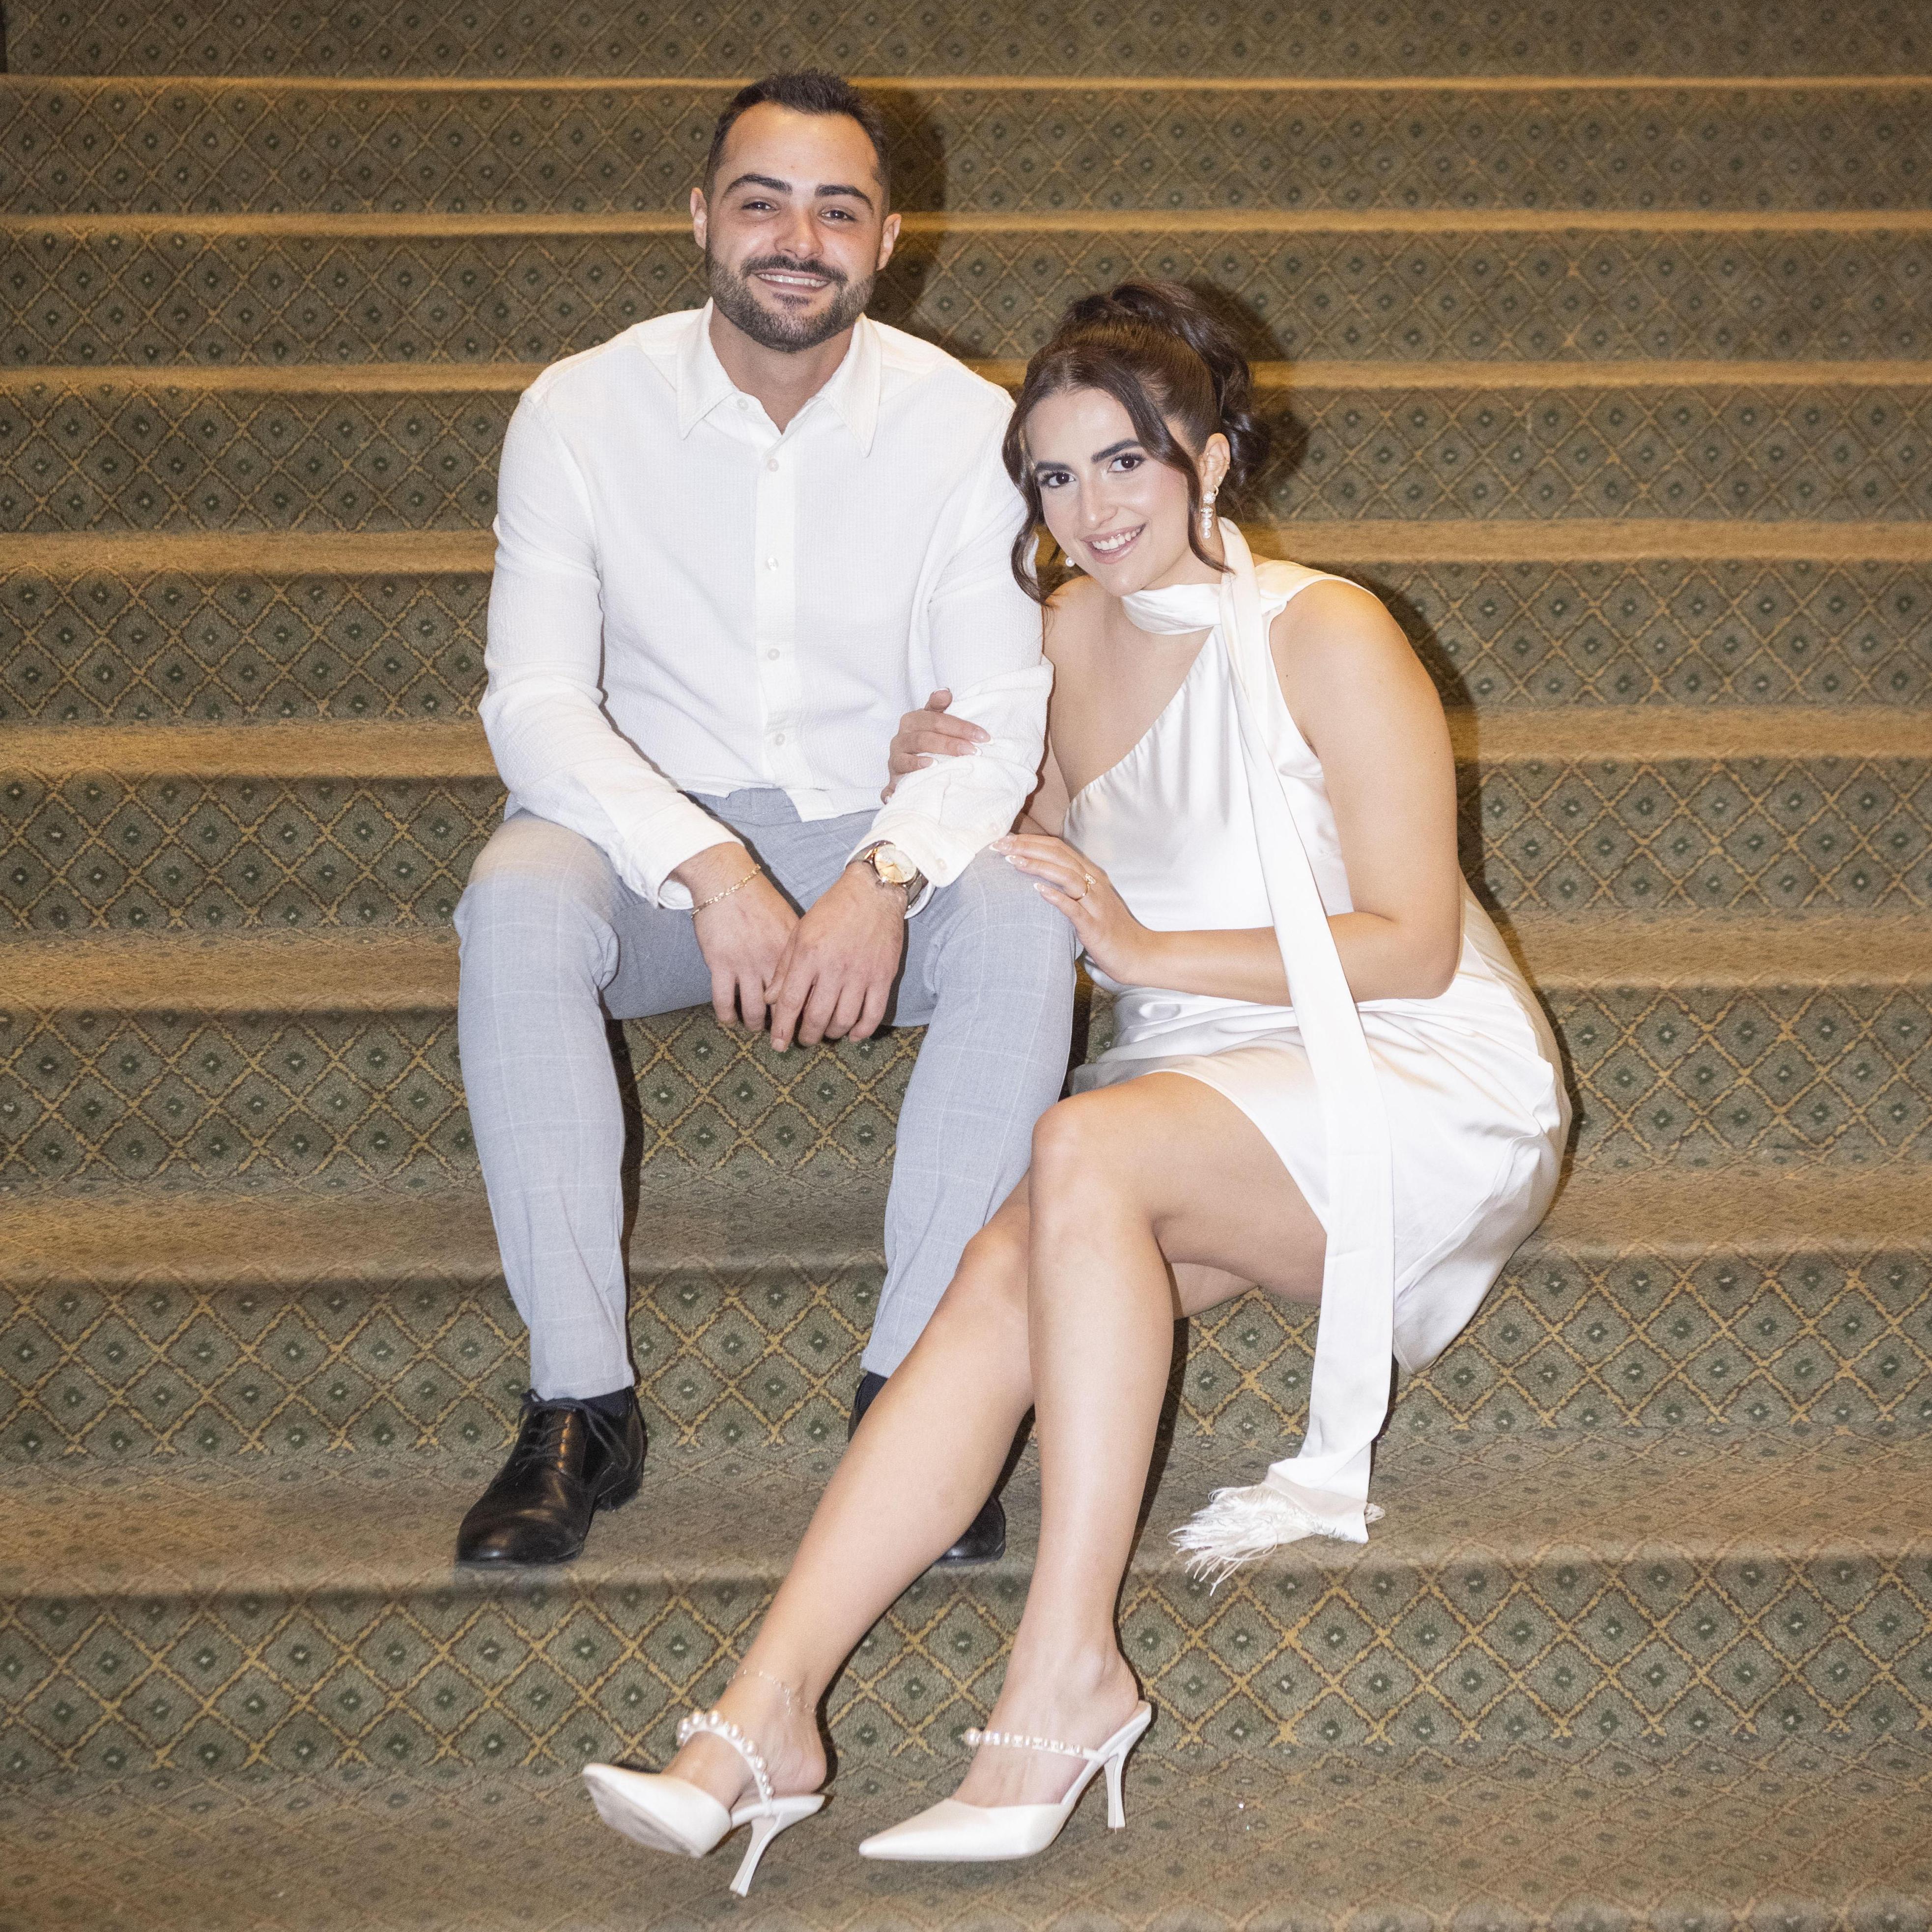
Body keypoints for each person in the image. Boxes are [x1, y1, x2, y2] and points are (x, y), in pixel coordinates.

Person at [579, 280, 1570, 1888]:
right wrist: (929, 778)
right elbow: (1035, 842)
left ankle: (1063, 1674)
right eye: (1052, 475)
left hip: (1408, 1074)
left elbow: (1406, 945)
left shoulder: (1326, 628)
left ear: (1212, 457)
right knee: (1003, 1263)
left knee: (1078, 1148)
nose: (1090, 507)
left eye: (1125, 461)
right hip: (1200, 1094)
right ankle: (762, 1718)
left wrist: (1143, 943)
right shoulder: (1047, 642)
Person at [452, 71, 1075, 1569]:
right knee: (517, 893)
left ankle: (920, 1396)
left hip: (873, 827)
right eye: (763, 202)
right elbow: (534, 702)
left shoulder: (965, 427)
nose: (799, 240)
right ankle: (578, 1404)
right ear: (700, 217)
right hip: (652, 850)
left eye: (836, 210)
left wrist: (886, 869)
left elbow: (998, 711)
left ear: (888, 240)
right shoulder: (580, 410)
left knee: (1021, 911)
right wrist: (706, 861)